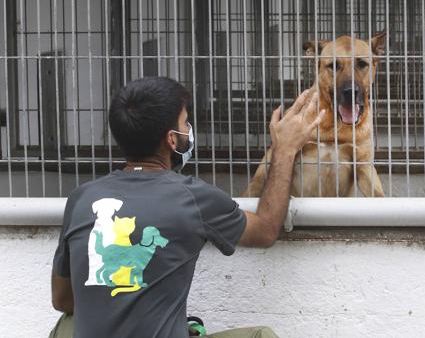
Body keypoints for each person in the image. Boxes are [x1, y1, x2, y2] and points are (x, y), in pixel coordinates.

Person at [49, 76, 325, 338]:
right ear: (172, 140)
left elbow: (62, 299)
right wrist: (285, 150)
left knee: (67, 325)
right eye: (186, 123)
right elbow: (265, 230)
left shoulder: (82, 198)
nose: (189, 130)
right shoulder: (192, 197)